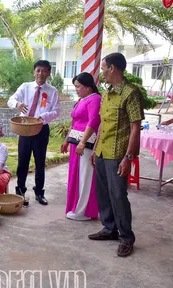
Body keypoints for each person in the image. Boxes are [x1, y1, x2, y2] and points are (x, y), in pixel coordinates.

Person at [89, 53, 143, 257]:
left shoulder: (130, 93)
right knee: (103, 193)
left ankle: (126, 237)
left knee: (119, 196)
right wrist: (95, 149)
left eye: (103, 68)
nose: (102, 72)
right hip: (103, 151)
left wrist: (128, 158)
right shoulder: (107, 93)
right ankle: (109, 229)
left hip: (119, 154)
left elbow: (135, 127)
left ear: (112, 68)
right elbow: (103, 122)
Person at [7, 60, 60, 206]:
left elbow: (56, 111)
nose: (40, 74)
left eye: (44, 71)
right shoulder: (26, 87)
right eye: (38, 70)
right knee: (22, 161)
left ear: (49, 73)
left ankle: (39, 192)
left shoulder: (52, 91)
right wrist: (17, 104)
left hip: (41, 129)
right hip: (25, 128)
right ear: (34, 72)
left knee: (40, 162)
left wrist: (43, 117)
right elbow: (11, 99)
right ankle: (20, 191)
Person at [61, 72, 101, 221]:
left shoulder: (95, 99)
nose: (76, 89)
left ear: (88, 87)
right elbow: (75, 122)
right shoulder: (82, 100)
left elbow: (93, 121)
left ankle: (82, 210)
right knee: (75, 175)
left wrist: (83, 142)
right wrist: (66, 140)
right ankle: (75, 207)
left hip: (85, 143)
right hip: (76, 142)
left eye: (78, 86)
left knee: (85, 176)